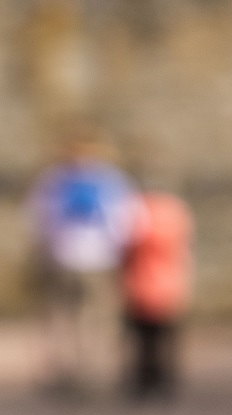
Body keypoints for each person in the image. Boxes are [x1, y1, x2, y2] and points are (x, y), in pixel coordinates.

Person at [28, 136, 138, 396]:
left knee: (70, 317)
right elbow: (127, 221)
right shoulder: (109, 179)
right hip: (91, 258)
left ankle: (77, 372)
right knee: (84, 318)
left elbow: (38, 219)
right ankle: (84, 373)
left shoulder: (55, 180)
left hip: (72, 257)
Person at [121, 176, 194, 400]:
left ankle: (147, 379)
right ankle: (164, 379)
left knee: (145, 338)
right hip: (169, 284)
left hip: (143, 283)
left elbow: (130, 243)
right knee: (164, 336)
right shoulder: (176, 210)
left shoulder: (138, 212)